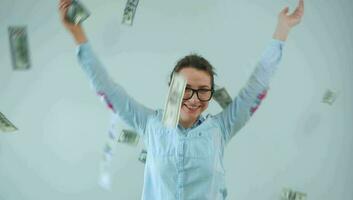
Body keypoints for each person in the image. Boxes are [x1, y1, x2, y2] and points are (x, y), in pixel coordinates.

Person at [59, 0, 304, 199]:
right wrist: (78, 34)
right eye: (186, 88)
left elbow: (256, 86)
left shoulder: (221, 128)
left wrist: (282, 30)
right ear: (171, 90)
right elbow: (107, 88)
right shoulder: (150, 124)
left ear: (211, 94)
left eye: (203, 90)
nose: (194, 99)